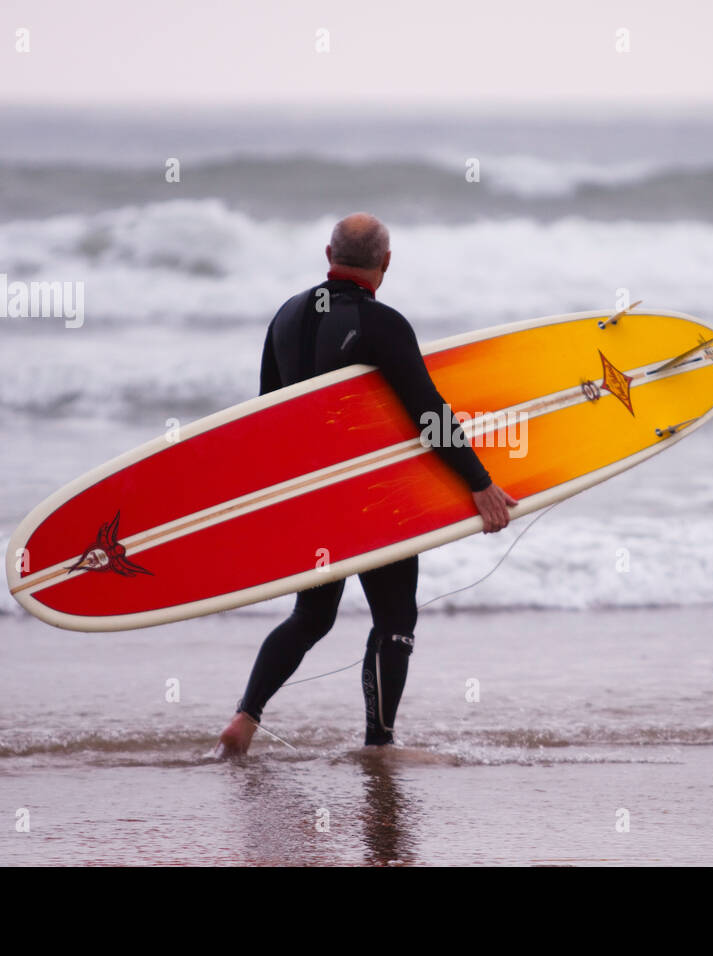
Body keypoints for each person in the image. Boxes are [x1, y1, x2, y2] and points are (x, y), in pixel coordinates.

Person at [215, 213, 518, 755]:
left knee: (311, 617)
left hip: (310, 497)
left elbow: (264, 416)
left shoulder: (284, 316)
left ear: (327, 252)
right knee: (395, 618)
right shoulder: (384, 324)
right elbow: (428, 413)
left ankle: (245, 717)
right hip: (370, 496)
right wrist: (478, 481)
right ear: (386, 262)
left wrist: (274, 503)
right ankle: (379, 743)